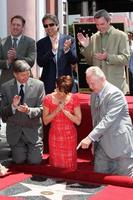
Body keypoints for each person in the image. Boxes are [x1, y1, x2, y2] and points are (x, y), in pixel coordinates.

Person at [77, 66, 133, 176]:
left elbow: (108, 120)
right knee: (98, 177)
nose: (90, 87)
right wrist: (94, 141)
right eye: (88, 83)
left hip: (119, 144)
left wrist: (90, 137)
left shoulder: (115, 94)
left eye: (92, 83)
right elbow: (95, 120)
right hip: (102, 145)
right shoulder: (93, 95)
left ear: (102, 79)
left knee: (125, 181)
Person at [1, 60, 45, 164]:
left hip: (32, 131)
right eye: (22, 75)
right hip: (15, 133)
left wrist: (29, 110)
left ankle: (34, 149)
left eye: (28, 74)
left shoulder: (39, 85)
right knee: (19, 161)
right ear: (15, 74)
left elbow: (42, 109)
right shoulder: (5, 87)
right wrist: (13, 106)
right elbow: (2, 113)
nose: (26, 77)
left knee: (35, 161)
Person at [77, 9, 130, 95]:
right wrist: (86, 47)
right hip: (98, 88)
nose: (99, 27)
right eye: (97, 25)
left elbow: (126, 59)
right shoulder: (94, 37)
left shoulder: (121, 36)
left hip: (116, 86)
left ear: (109, 21)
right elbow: (91, 62)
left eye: (102, 24)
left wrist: (107, 57)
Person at [43, 75, 81, 170]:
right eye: (60, 91)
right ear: (56, 86)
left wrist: (65, 112)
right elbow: (46, 121)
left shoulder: (74, 98)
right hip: (55, 135)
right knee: (55, 166)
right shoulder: (48, 98)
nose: (62, 94)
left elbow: (78, 121)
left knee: (69, 166)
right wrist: (57, 110)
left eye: (65, 92)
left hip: (69, 136)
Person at [37, 14, 78, 94]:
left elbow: (74, 60)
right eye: (46, 26)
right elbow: (40, 63)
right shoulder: (41, 43)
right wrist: (52, 51)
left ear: (57, 25)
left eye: (51, 24)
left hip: (66, 83)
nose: (48, 28)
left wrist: (67, 50)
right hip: (48, 84)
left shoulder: (69, 39)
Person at [0, 15, 36, 92]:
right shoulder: (2, 42)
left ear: (23, 27)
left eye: (18, 25)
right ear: (10, 25)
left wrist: (16, 57)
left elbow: (31, 62)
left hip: (25, 82)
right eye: (13, 24)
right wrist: (8, 62)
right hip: (6, 83)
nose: (15, 27)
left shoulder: (30, 42)